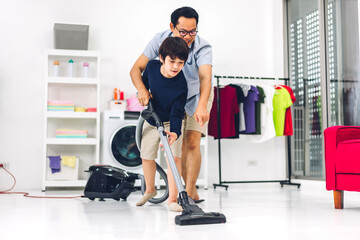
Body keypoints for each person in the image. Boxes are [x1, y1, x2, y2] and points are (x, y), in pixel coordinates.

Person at [130, 6, 213, 202]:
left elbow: (205, 81)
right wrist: (143, 90)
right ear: (172, 27)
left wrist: (202, 106)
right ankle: (162, 189)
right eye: (183, 31)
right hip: (169, 97)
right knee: (175, 146)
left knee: (192, 141)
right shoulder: (159, 41)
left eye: (193, 31)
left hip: (196, 95)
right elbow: (136, 69)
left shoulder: (203, 47)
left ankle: (190, 192)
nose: (188, 36)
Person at [135, 36, 189, 212]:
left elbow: (177, 112)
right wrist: (143, 94)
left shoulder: (181, 85)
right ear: (161, 58)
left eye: (180, 63)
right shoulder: (150, 67)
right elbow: (144, 86)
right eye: (172, 61)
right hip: (151, 119)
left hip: (170, 122)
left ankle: (173, 199)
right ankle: (150, 190)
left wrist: (174, 132)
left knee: (173, 158)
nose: (175, 66)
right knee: (146, 155)